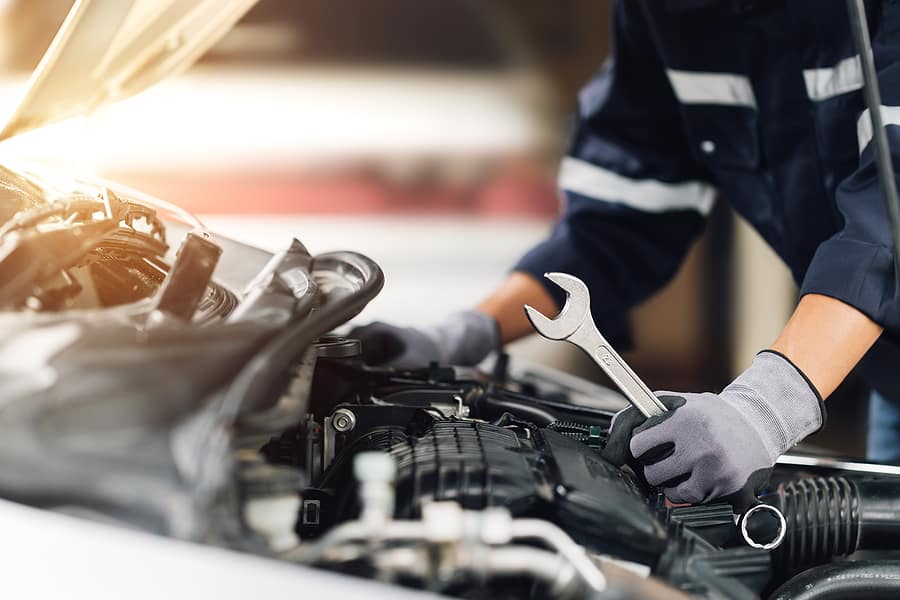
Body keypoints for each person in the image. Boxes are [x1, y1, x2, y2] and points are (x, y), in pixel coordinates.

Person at [352, 0, 900, 506]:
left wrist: (766, 407)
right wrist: (463, 336)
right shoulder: (666, 12)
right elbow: (617, 218)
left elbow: (889, 220)